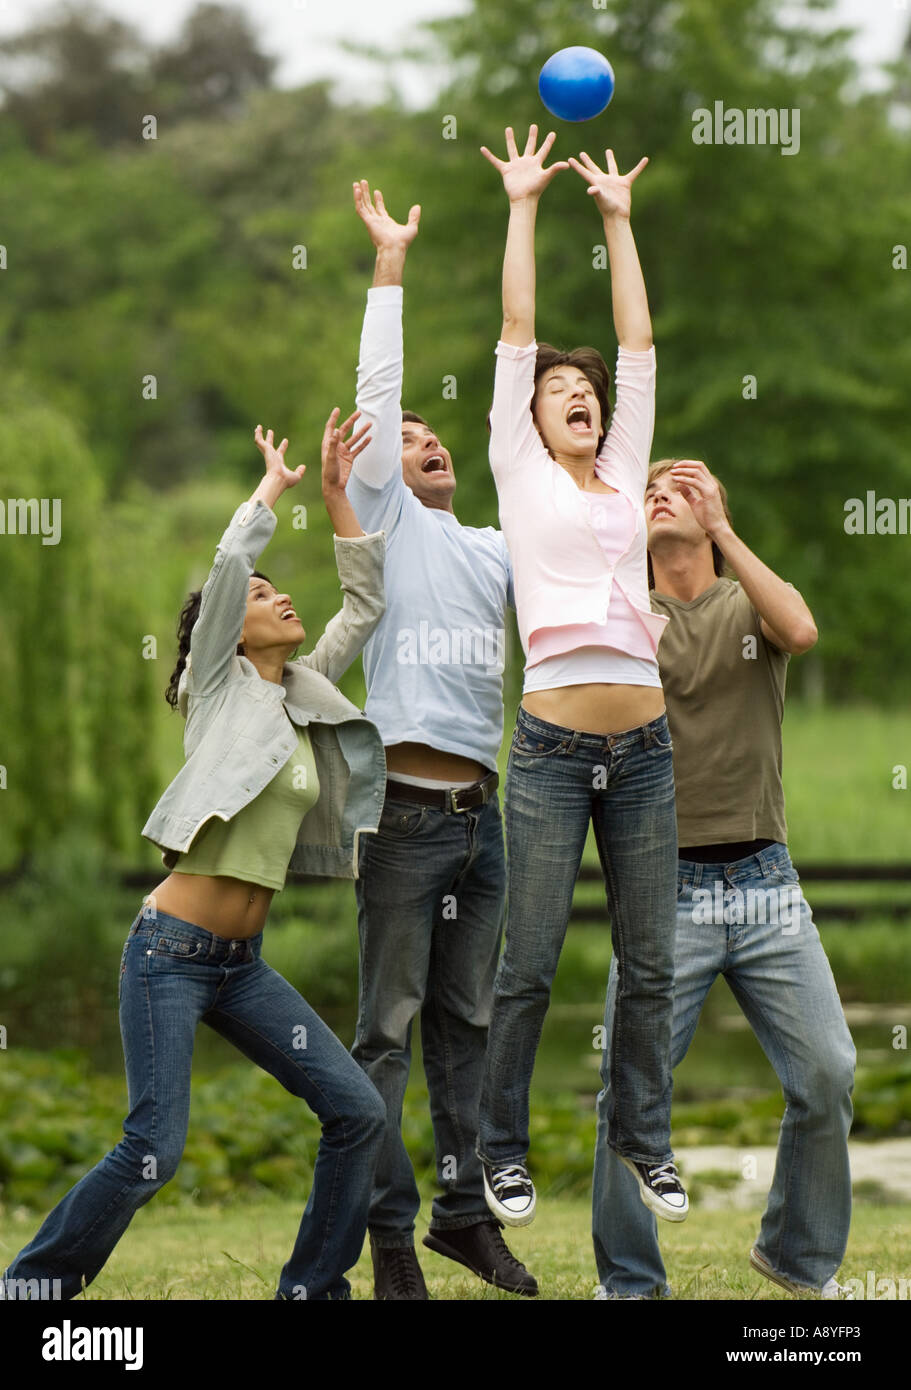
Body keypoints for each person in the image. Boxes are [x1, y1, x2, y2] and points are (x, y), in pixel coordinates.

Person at [0, 413, 389, 1303]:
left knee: (356, 1114)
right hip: (168, 954)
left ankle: (309, 1291)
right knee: (154, 1150)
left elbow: (363, 606)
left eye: (280, 590)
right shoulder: (214, 690)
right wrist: (270, 494)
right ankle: (30, 1288)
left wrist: (335, 501)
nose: (278, 599)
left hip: (242, 967)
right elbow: (222, 576)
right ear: (228, 629)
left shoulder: (301, 693)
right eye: (261, 595)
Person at [476, 126, 687, 1229]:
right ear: (530, 410)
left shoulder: (624, 469)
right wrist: (525, 202)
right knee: (530, 962)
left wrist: (616, 217)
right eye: (557, 387)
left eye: (585, 389)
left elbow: (637, 337)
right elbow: (516, 327)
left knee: (651, 960)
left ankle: (646, 1142)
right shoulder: (518, 471)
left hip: (646, 750)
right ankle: (501, 1155)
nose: (577, 393)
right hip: (553, 750)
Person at [592, 458, 856, 1300]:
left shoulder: (750, 604)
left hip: (766, 882)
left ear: (713, 512)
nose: (663, 489)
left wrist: (724, 531)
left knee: (827, 1072)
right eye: (649, 487)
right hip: (660, 891)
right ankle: (630, 1283)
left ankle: (796, 1258)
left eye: (684, 484)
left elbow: (804, 630)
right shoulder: (626, 614)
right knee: (627, 1095)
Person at [345, 179, 536, 1299]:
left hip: (483, 823)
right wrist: (388, 266)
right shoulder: (393, 521)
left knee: (466, 1030)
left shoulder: (498, 548)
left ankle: (466, 1216)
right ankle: (385, 1237)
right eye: (404, 440)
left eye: (430, 436)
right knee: (384, 1036)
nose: (422, 443)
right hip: (404, 820)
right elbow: (378, 394)